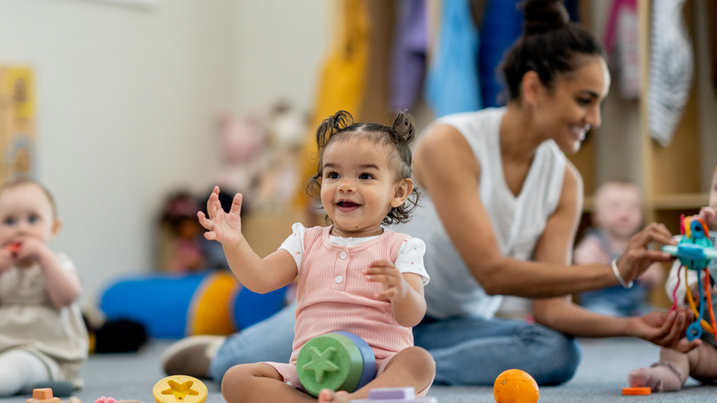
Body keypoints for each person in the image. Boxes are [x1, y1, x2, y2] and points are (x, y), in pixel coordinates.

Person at [162, 0, 695, 387]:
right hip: (347, 309)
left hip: (423, 320)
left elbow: (552, 309)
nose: (594, 118)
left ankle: (387, 377)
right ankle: (237, 353)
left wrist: (632, 324)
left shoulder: (565, 182)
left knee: (555, 354)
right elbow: (492, 269)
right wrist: (618, 270)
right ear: (534, 89)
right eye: (585, 99)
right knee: (238, 365)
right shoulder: (451, 143)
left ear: (399, 191)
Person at [198, 110, 434, 403]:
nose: (345, 185)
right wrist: (234, 243)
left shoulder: (403, 247)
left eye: (365, 175)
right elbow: (260, 279)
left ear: (399, 192)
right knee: (236, 379)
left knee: (419, 361)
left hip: (380, 371)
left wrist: (401, 292)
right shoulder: (305, 240)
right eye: (333, 174)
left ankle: (357, 400)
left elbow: (413, 314)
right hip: (311, 372)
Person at [628, 163, 717, 392]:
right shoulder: (699, 244)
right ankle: (668, 371)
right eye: (716, 189)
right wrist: (695, 287)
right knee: (678, 344)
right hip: (710, 350)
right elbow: (675, 289)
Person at [0, 177, 88, 396]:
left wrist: (45, 257)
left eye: (33, 219)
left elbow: (67, 296)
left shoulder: (58, 262)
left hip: (46, 352)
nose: (21, 229)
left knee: (18, 366)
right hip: (3, 346)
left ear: (54, 228)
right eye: (9, 221)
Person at [574, 180, 665, 317]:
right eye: (615, 206)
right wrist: (599, 264)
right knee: (597, 316)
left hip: (635, 307)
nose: (624, 213)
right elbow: (579, 262)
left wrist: (650, 272)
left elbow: (658, 277)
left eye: (633, 207)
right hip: (600, 304)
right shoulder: (595, 242)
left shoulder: (642, 244)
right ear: (597, 216)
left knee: (660, 316)